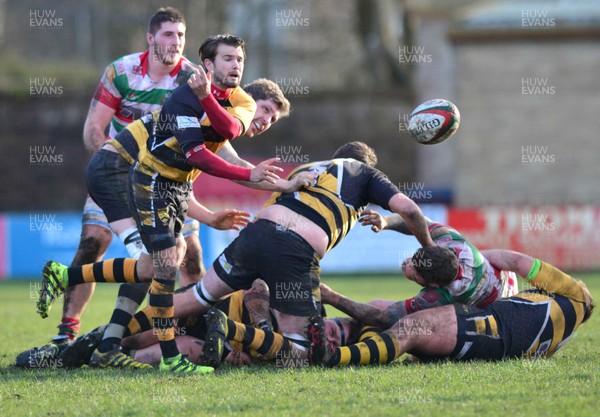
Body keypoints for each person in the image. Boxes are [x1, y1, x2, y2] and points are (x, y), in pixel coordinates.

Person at [27, 8, 195, 362]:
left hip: (165, 183)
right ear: (150, 39)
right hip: (119, 173)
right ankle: (66, 334)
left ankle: (195, 328)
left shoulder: (192, 78)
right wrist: (109, 165)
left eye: (180, 35)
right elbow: (94, 127)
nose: (175, 42)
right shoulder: (121, 72)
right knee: (93, 242)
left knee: (188, 255)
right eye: (168, 35)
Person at [316, 250, 594, 366]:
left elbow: (519, 262)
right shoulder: (559, 337)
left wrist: (477, 264)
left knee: (407, 327)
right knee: (390, 315)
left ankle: (334, 355)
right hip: (489, 336)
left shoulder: (574, 295)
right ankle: (334, 337)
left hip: (489, 328)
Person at [319, 213, 518, 330]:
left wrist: (331, 297)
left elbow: (382, 317)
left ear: (432, 286)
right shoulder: (451, 241)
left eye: (413, 272)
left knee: (418, 326)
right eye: (414, 259)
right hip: (501, 280)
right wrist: (386, 221)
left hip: (499, 311)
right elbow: (418, 220)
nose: (407, 264)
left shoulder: (437, 298)